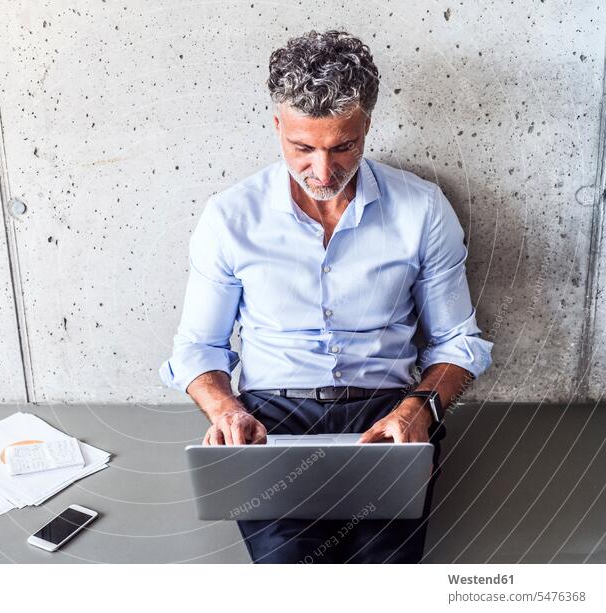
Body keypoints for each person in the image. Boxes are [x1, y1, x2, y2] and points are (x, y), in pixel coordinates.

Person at [159, 30, 493, 563]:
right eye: (302, 148)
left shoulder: (424, 210)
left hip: (388, 414)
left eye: (343, 146)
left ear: (366, 127)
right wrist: (224, 409)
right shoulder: (229, 218)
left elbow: (458, 342)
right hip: (270, 420)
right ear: (277, 126)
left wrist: (421, 408)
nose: (323, 171)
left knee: (384, 579)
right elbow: (197, 348)